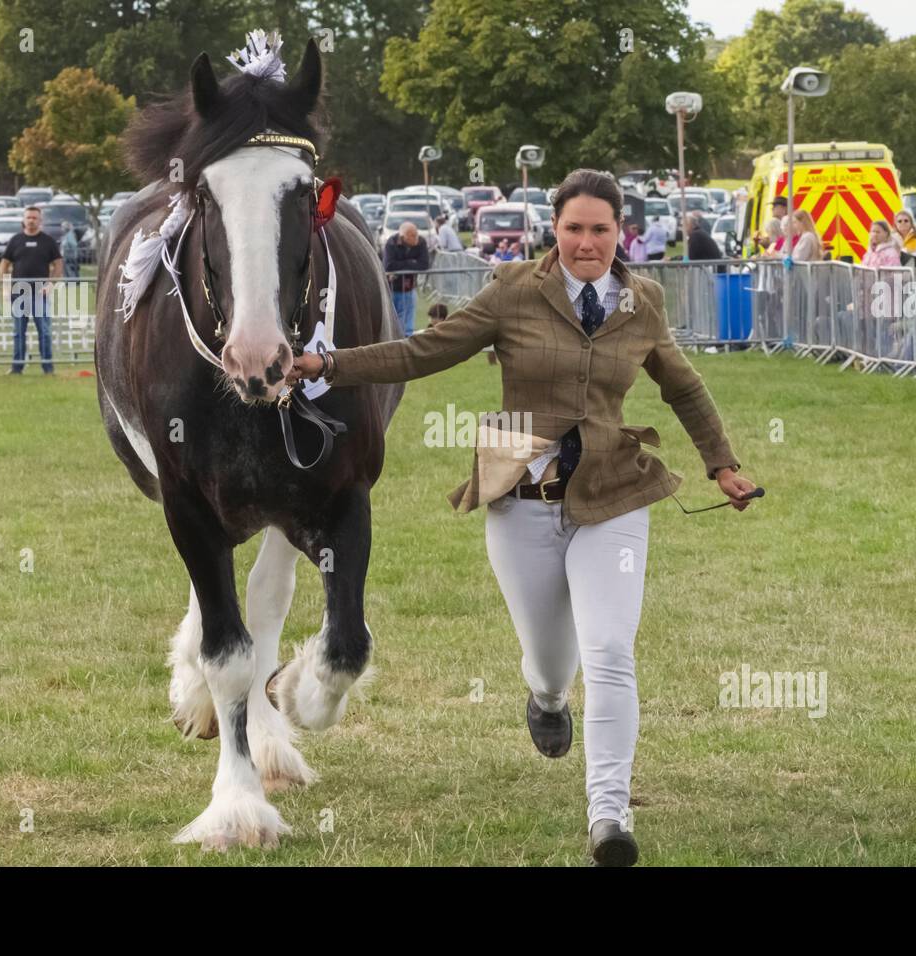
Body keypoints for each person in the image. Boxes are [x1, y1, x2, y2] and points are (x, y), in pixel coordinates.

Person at [286, 167, 757, 867]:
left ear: (619, 232)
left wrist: (722, 464)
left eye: (600, 229)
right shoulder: (514, 293)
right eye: (574, 228)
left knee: (610, 653)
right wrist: (327, 363)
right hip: (523, 499)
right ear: (555, 230)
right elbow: (423, 352)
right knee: (548, 663)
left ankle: (609, 814)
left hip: (613, 496)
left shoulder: (644, 302)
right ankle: (545, 700)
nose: (587, 242)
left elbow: (683, 387)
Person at [0, 206, 61, 375]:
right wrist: (5, 286)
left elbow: (58, 265)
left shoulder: (48, 241)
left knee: (45, 332)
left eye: (34, 217)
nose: (31, 220)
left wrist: (51, 284)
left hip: (40, 295)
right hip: (18, 295)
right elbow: (4, 264)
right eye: (28, 217)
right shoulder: (15, 240)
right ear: (23, 220)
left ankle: (48, 368)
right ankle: (17, 368)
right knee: (18, 332)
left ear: (40, 221)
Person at [382, 220, 430, 335]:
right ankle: (393, 339)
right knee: (392, 317)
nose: (416, 238)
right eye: (412, 236)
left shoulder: (421, 242)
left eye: (416, 234)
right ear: (403, 237)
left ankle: (407, 339)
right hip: (392, 288)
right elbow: (389, 266)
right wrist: (411, 262)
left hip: (409, 288)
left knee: (408, 319)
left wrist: (401, 265)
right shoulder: (392, 243)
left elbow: (424, 265)